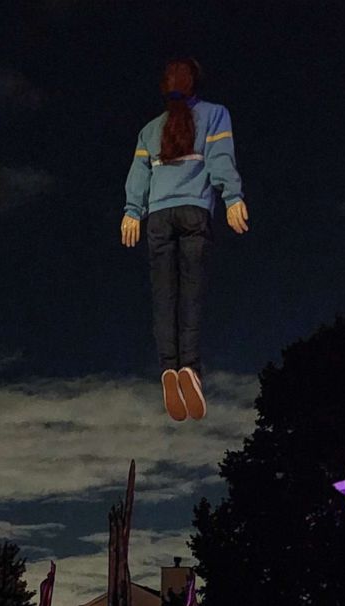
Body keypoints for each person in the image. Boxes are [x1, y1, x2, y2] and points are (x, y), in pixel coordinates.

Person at [121, 57, 248, 422]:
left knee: (164, 295)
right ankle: (189, 368)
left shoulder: (149, 130)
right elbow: (220, 159)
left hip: (158, 217)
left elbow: (138, 174)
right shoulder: (215, 115)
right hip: (194, 212)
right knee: (190, 293)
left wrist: (132, 211)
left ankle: (168, 369)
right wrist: (232, 198)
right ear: (196, 85)